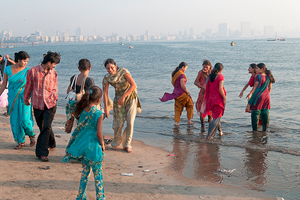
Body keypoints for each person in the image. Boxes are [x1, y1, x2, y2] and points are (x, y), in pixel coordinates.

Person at [63, 86, 105, 200]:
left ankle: (81, 196)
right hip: (94, 148)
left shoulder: (82, 110)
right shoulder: (99, 113)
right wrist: (103, 145)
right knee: (98, 175)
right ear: (99, 100)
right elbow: (99, 134)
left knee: (85, 173)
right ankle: (100, 197)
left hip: (83, 147)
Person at [24, 51, 61, 162]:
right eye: (54, 64)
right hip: (37, 104)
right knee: (43, 127)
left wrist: (55, 96)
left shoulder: (53, 72)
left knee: (46, 127)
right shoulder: (33, 71)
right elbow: (28, 86)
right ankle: (51, 143)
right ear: (49, 62)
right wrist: (26, 98)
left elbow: (55, 87)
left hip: (51, 104)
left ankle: (42, 153)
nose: (55, 66)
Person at [102, 58, 141, 153]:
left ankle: (127, 144)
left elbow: (133, 85)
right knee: (118, 123)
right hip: (118, 100)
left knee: (130, 122)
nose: (110, 70)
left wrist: (124, 96)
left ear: (115, 66)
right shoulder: (107, 77)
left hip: (130, 97)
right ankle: (116, 141)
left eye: (112, 67)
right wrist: (106, 108)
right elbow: (105, 93)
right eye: (108, 68)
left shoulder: (123, 72)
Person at [0, 51, 36, 149]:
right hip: (12, 97)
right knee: (15, 119)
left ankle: (32, 135)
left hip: (25, 98)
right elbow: (4, 84)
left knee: (24, 119)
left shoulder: (28, 71)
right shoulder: (7, 69)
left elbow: (32, 85)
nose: (26, 63)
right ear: (19, 60)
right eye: (24, 61)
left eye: (27, 61)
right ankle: (21, 141)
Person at [160, 62, 194, 126]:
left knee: (177, 108)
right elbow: (182, 85)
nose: (186, 70)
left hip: (175, 93)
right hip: (182, 93)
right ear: (183, 67)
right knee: (190, 105)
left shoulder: (174, 73)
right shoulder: (181, 75)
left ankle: (176, 123)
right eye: (186, 68)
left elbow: (172, 82)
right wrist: (187, 92)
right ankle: (189, 121)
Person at [246, 63, 275, 132]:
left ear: (261, 69)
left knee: (255, 113)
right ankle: (265, 130)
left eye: (257, 68)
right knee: (265, 113)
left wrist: (250, 97)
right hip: (267, 97)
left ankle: (255, 131)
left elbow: (255, 88)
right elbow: (270, 88)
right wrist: (266, 94)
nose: (256, 70)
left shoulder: (258, 76)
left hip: (258, 97)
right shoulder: (269, 76)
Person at [66, 59, 95, 125]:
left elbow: (68, 91)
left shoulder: (74, 77)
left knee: (79, 125)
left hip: (76, 106)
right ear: (90, 67)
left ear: (79, 68)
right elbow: (91, 95)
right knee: (86, 126)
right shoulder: (89, 80)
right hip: (85, 106)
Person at [202, 63, 226, 139]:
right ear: (221, 70)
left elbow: (206, 87)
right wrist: (224, 98)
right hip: (218, 100)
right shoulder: (220, 76)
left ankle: (218, 133)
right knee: (216, 118)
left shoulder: (209, 76)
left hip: (210, 99)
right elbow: (220, 89)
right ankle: (209, 135)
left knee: (216, 116)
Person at [194, 60, 212, 132]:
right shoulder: (200, 72)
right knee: (202, 109)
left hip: (210, 93)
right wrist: (201, 86)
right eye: (204, 67)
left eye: (206, 67)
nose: (205, 68)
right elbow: (195, 82)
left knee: (209, 110)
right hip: (203, 93)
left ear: (210, 66)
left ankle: (210, 125)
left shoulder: (212, 72)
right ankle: (202, 126)